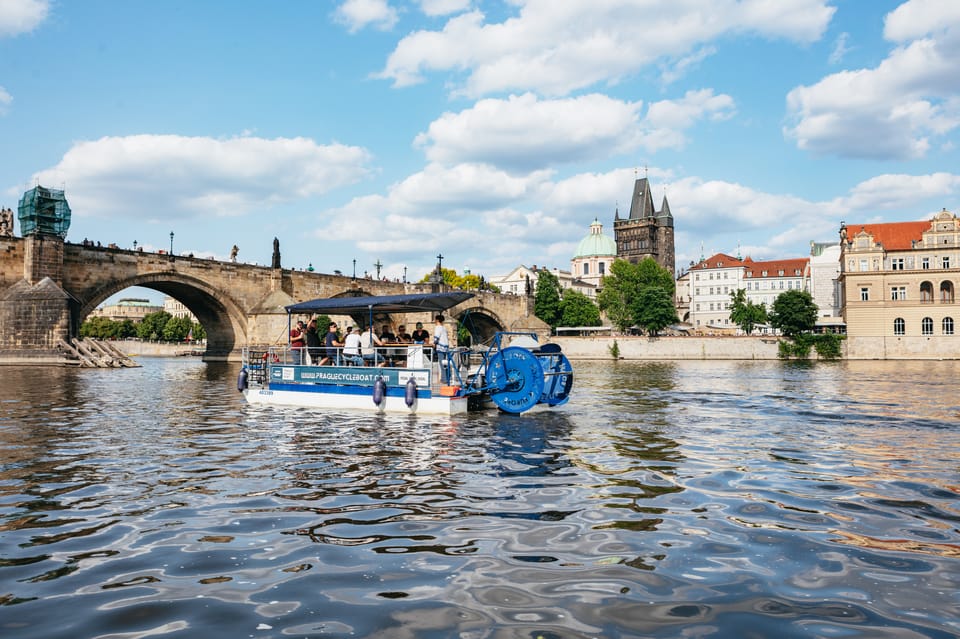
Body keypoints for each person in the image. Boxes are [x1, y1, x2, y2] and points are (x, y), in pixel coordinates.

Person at [433, 314, 450, 383]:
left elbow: (436, 337)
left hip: (440, 347)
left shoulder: (438, 327)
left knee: (441, 364)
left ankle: (444, 379)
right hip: (446, 347)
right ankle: (447, 378)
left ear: (437, 320)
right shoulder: (444, 328)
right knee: (445, 364)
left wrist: (434, 343)